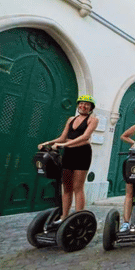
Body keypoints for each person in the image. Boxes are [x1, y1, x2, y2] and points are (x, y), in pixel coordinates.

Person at [38, 95, 99, 223]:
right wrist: (47, 142)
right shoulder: (71, 119)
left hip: (82, 153)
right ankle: (64, 217)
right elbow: (62, 137)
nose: (83, 106)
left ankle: (79, 218)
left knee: (78, 187)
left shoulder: (93, 120)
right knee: (66, 187)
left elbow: (85, 137)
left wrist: (65, 145)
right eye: (81, 103)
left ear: (91, 108)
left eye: (87, 104)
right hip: (69, 154)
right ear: (78, 105)